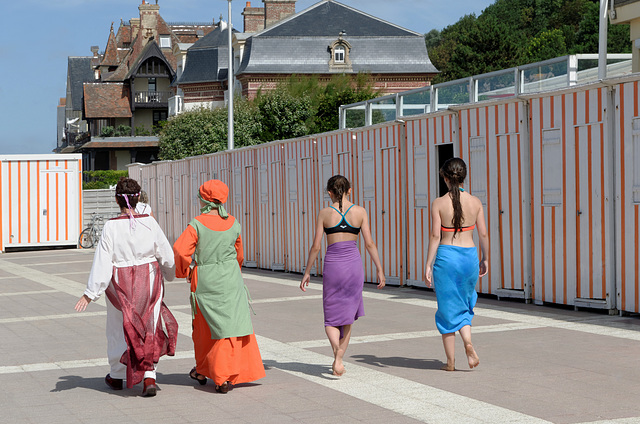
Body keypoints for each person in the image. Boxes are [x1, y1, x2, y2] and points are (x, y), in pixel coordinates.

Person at [75, 177, 178, 397]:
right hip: (149, 282)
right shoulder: (150, 222)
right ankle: (150, 374)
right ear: (138, 197)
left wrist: (90, 293)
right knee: (150, 325)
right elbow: (166, 255)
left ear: (116, 200)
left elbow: (103, 261)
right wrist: (169, 274)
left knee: (118, 329)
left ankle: (117, 374)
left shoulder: (111, 226)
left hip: (120, 287)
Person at [173, 179, 265, 394]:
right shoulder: (233, 222)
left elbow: (179, 250)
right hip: (231, 278)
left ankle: (216, 375)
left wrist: (184, 270)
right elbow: (239, 254)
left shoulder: (196, 224)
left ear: (203, 199)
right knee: (231, 326)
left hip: (206, 277)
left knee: (206, 328)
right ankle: (220, 372)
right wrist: (233, 270)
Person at [300, 174, 385, 376]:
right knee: (347, 316)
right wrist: (380, 270)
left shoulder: (324, 214)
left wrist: (307, 272)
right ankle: (339, 358)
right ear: (350, 190)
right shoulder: (360, 212)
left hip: (333, 266)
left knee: (330, 317)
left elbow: (316, 246)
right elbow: (370, 243)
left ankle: (337, 353)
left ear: (330, 193)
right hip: (353, 265)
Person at [424, 158, 489, 371]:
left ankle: (451, 362)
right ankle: (468, 343)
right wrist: (485, 257)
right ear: (464, 177)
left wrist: (428, 264)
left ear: (445, 177)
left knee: (447, 308)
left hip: (447, 258)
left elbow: (435, 235)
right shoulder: (475, 202)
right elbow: (483, 234)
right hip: (469, 256)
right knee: (464, 303)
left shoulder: (438, 203)